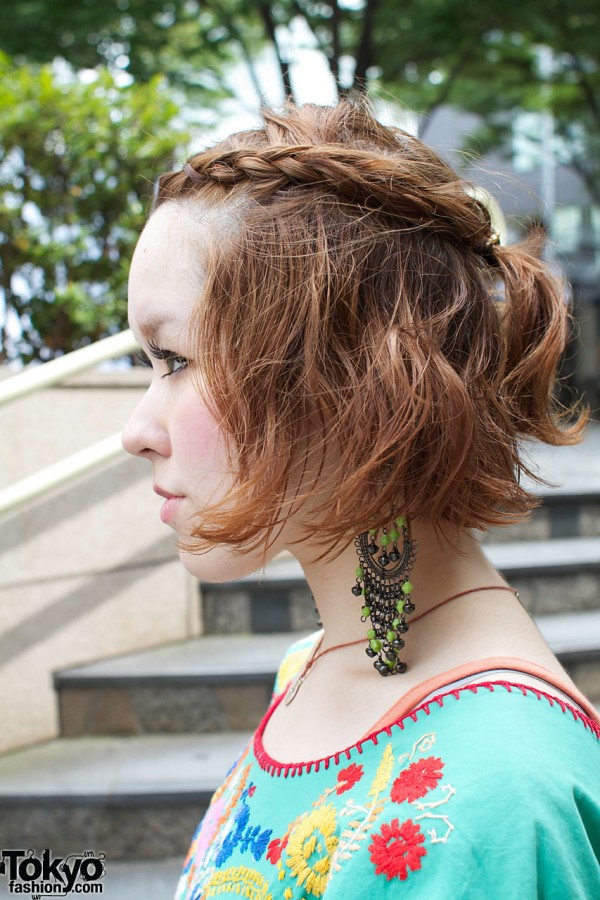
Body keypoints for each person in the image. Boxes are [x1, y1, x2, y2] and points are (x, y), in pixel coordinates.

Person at [122, 100, 600, 899]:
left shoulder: (502, 796)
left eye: (173, 358)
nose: (137, 430)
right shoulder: (309, 667)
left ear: (353, 377)